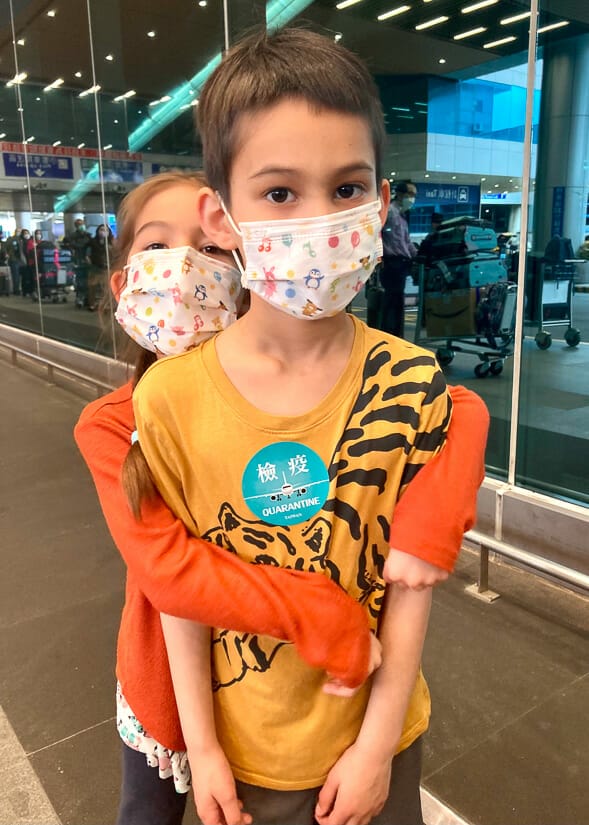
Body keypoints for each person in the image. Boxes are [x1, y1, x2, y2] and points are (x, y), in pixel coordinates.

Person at [128, 28, 489, 825]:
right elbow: (179, 593)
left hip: (379, 744)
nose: (320, 220)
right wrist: (204, 749)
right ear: (219, 216)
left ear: (382, 202)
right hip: (245, 751)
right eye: (280, 193)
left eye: (348, 186)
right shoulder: (172, 398)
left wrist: (374, 751)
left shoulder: (412, 380)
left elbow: (408, 590)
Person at [76, 170, 384, 825]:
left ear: (246, 267)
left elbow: (435, 400)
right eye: (156, 247)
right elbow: (172, 570)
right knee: (147, 811)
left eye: (211, 249)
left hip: (283, 700)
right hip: (164, 684)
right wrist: (325, 615)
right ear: (124, 283)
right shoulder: (109, 422)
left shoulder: (283, 398)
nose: (185, 266)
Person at [376, 180, 418, 338]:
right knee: (392, 303)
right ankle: (390, 336)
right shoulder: (390, 212)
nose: (412, 198)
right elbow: (376, 233)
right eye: (410, 194)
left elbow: (406, 242)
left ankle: (395, 336)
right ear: (400, 194)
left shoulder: (402, 216)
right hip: (391, 263)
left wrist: (417, 255)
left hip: (401, 264)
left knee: (397, 302)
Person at [87, 223, 113, 310]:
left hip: (107, 267)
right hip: (95, 267)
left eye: (105, 230)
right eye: (101, 230)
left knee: (106, 288)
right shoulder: (93, 242)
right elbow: (88, 254)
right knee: (93, 286)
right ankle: (92, 304)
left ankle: (106, 305)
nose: (103, 232)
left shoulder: (111, 242)